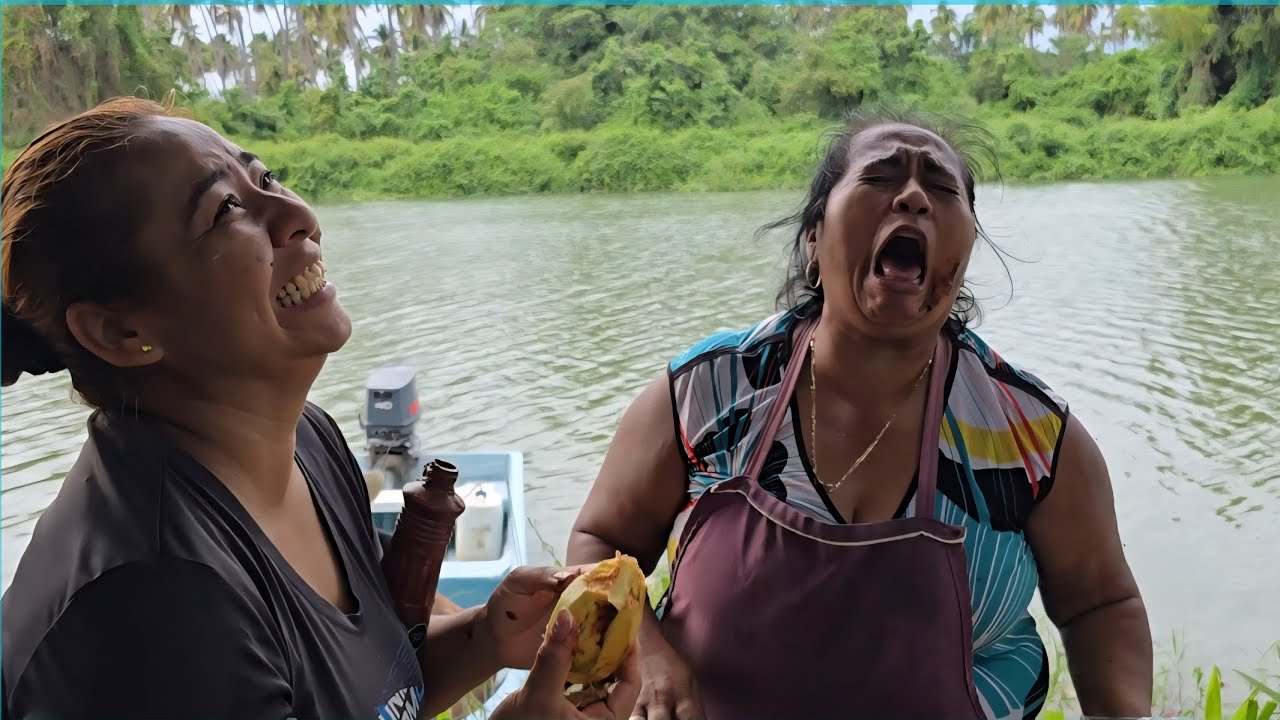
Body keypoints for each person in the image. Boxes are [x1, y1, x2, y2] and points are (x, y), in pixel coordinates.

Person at [0, 96, 639, 720]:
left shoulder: (307, 441)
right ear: (118, 332)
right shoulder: (161, 598)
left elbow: (372, 698)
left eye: (265, 178)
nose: (297, 214)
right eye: (225, 210)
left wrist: (486, 639)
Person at [567, 113, 1153, 720]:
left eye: (943, 188)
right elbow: (602, 540)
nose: (914, 196)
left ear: (965, 246)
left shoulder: (1030, 434)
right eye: (881, 175)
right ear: (813, 238)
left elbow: (1099, 603)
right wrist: (651, 655)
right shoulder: (708, 392)